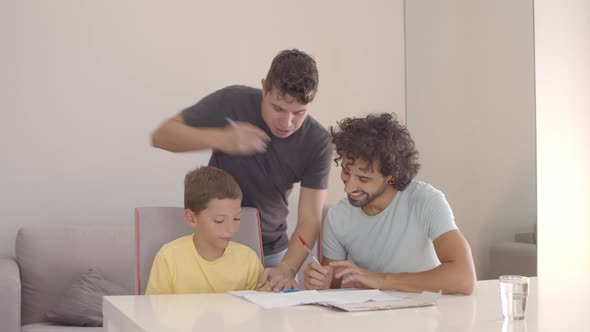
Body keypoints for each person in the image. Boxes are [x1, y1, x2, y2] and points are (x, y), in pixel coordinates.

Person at [151, 49, 332, 291]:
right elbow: (162, 136)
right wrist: (223, 139)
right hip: (213, 246)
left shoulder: (317, 142)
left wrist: (287, 269)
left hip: (272, 253)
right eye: (278, 108)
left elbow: (310, 219)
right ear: (264, 87)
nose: (287, 123)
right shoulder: (233, 101)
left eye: (299, 113)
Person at [303, 113, 476, 295]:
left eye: (363, 178)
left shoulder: (425, 200)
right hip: (374, 317)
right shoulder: (338, 217)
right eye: (346, 172)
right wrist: (322, 281)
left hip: (429, 314)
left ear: (391, 176)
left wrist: (382, 280)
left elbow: (463, 278)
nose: (349, 188)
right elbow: (333, 282)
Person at [145, 166, 263, 294]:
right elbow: (153, 310)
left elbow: (263, 308)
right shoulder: (168, 258)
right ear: (191, 218)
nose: (231, 229)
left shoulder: (248, 259)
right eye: (219, 220)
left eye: (236, 218)